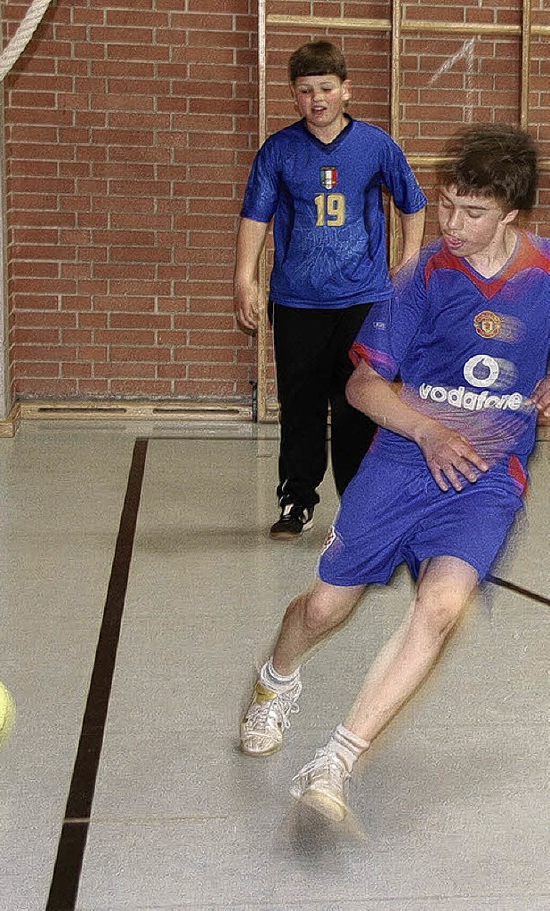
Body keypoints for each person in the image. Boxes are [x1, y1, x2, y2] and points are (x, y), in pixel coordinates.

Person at [239, 122, 550, 822]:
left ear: (512, 214)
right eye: (445, 205)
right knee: (322, 610)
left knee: (440, 609)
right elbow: (362, 389)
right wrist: (430, 429)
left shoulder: (546, 275)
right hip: (403, 464)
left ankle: (335, 760)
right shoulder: (423, 277)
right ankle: (274, 678)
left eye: (473, 212)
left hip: (488, 477)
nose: (453, 223)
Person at [234, 41, 427, 539]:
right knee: (299, 403)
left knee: (357, 402)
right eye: (305, 90)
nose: (316, 98)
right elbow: (255, 216)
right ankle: (297, 499)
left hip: (362, 299)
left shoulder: (375, 145)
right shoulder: (278, 150)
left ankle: (358, 507)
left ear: (346, 89)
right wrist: (245, 278)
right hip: (297, 301)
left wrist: (407, 265)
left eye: (325, 88)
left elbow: (413, 202)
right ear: (294, 96)